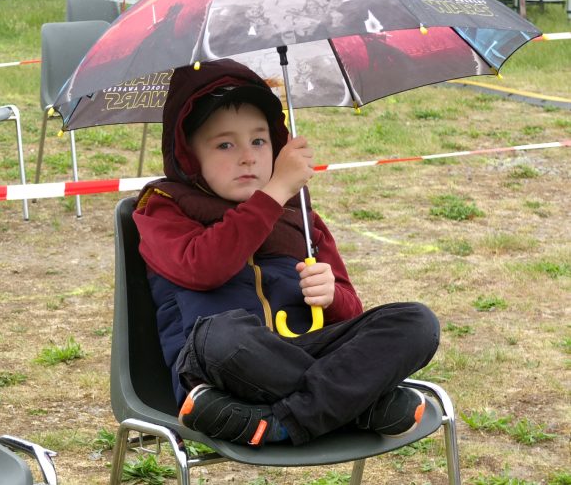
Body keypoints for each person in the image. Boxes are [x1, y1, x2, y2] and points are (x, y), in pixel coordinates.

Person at [132, 59, 440, 447]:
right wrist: (274, 192)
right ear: (189, 155)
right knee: (222, 333)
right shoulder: (164, 207)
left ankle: (282, 422)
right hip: (221, 367)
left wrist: (332, 296)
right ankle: (360, 406)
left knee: (416, 322)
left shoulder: (301, 216)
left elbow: (351, 312)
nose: (248, 156)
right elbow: (203, 269)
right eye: (225, 144)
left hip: (297, 353)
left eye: (259, 141)